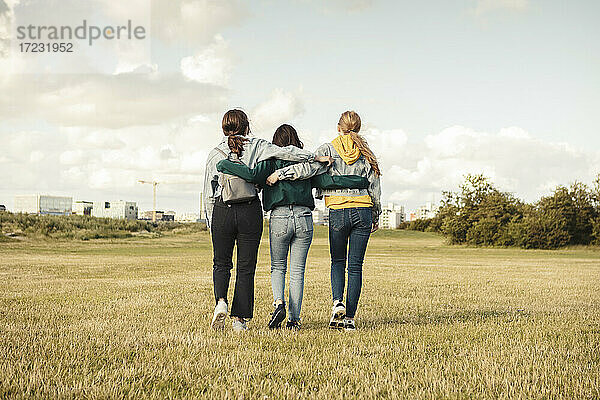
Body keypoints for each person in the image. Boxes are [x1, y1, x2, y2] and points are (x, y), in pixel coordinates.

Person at [216, 124, 369, 331]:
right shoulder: (307, 164)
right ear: (297, 142)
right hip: (304, 218)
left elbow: (251, 175)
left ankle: (278, 303)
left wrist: (225, 165)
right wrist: (360, 180)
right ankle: (294, 319)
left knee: (278, 267)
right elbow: (328, 180)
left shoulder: (268, 162)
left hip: (279, 217)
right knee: (297, 271)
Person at [204, 110, 331, 332]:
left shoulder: (215, 153)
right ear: (247, 126)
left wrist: (210, 221)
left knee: (221, 263)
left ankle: (221, 302)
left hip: (223, 210)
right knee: (246, 267)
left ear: (223, 128)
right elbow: (289, 153)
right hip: (250, 210)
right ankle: (240, 320)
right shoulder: (258, 146)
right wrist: (314, 157)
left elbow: (208, 192)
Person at [267, 111, 381, 331]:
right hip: (363, 210)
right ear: (358, 128)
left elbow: (307, 169)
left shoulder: (328, 149)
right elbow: (375, 186)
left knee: (338, 261)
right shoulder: (367, 152)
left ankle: (337, 302)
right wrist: (375, 214)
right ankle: (349, 320)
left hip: (338, 210)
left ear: (339, 128)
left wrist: (281, 174)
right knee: (356, 267)